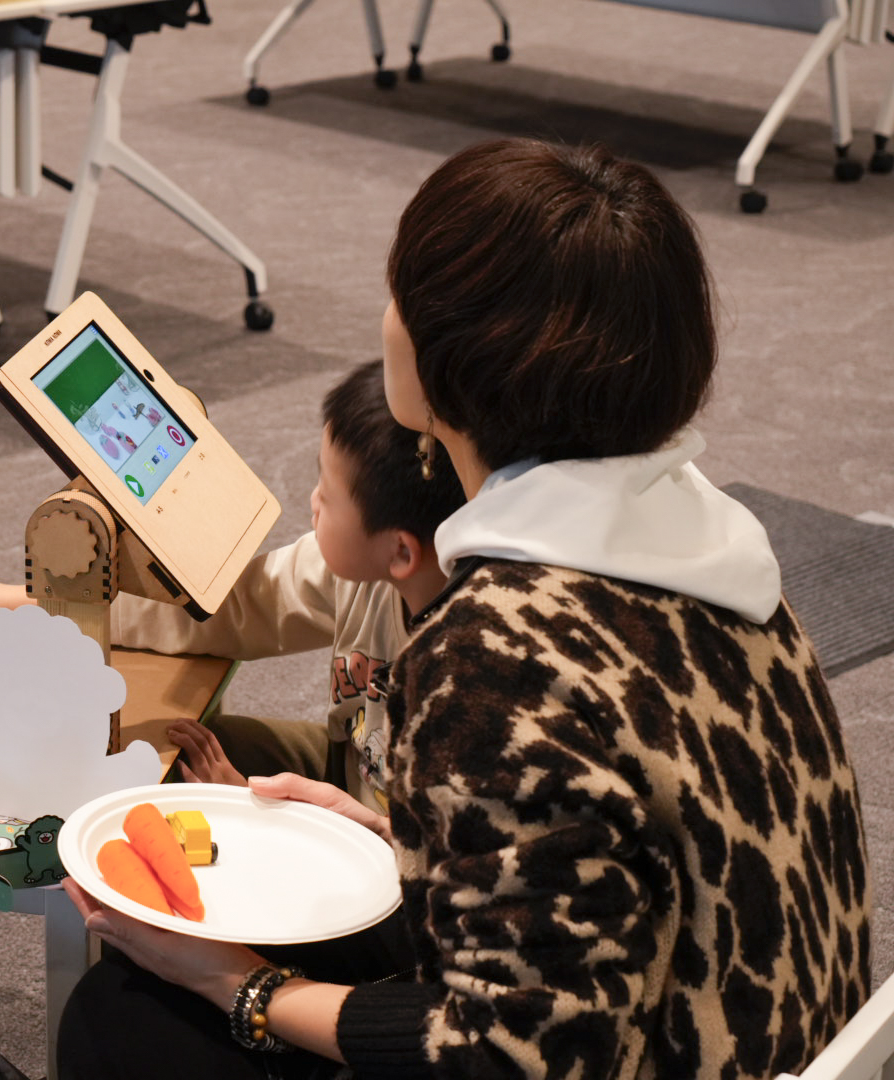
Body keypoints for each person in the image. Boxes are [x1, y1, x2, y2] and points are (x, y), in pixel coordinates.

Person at [54, 138, 872, 1080]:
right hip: (755, 1039)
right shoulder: (715, 549)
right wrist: (405, 841)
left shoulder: (494, 651)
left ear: (446, 362)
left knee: (122, 1023)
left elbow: (512, 1058)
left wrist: (245, 990)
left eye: (399, 293)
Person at [0, 358, 465, 818]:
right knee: (170, 753)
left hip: (400, 855)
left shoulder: (468, 679)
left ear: (400, 551)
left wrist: (260, 810)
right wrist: (24, 602)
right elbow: (227, 610)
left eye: (328, 497)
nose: (311, 503)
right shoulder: (360, 570)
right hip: (354, 769)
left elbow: (428, 868)